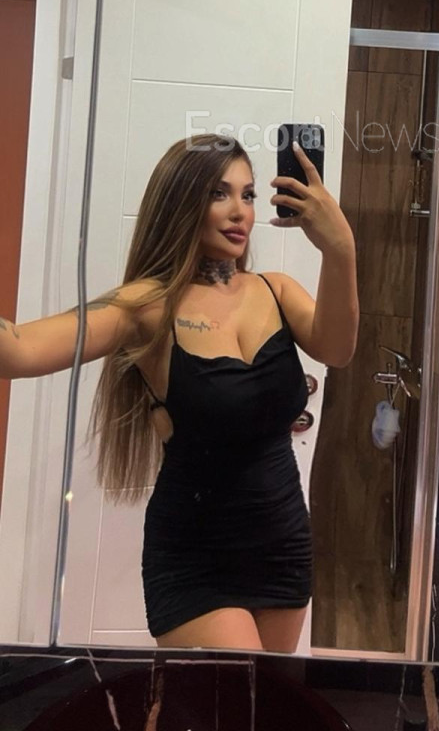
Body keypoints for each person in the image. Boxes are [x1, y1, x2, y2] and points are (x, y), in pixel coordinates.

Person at [0, 132, 359, 652]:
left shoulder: (275, 290)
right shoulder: (146, 307)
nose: (239, 211)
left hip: (282, 548)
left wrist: (340, 248)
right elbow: (17, 350)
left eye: (248, 194)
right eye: (219, 193)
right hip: (196, 560)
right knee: (238, 688)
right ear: (182, 202)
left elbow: (338, 349)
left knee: (266, 697)